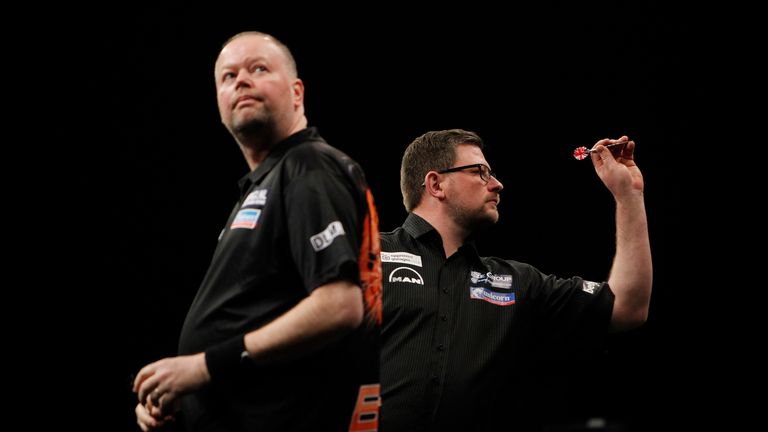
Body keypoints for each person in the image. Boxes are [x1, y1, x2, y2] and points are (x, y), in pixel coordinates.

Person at [132, 31, 382, 432]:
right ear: (218, 101)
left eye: (258, 69)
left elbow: (339, 304)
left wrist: (204, 365)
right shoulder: (266, 183)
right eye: (228, 77)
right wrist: (184, 396)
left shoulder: (308, 167)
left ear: (297, 92)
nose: (241, 81)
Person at [380, 129, 652, 431]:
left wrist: (629, 196)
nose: (497, 184)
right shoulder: (370, 255)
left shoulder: (514, 281)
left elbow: (628, 307)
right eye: (480, 172)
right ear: (436, 184)